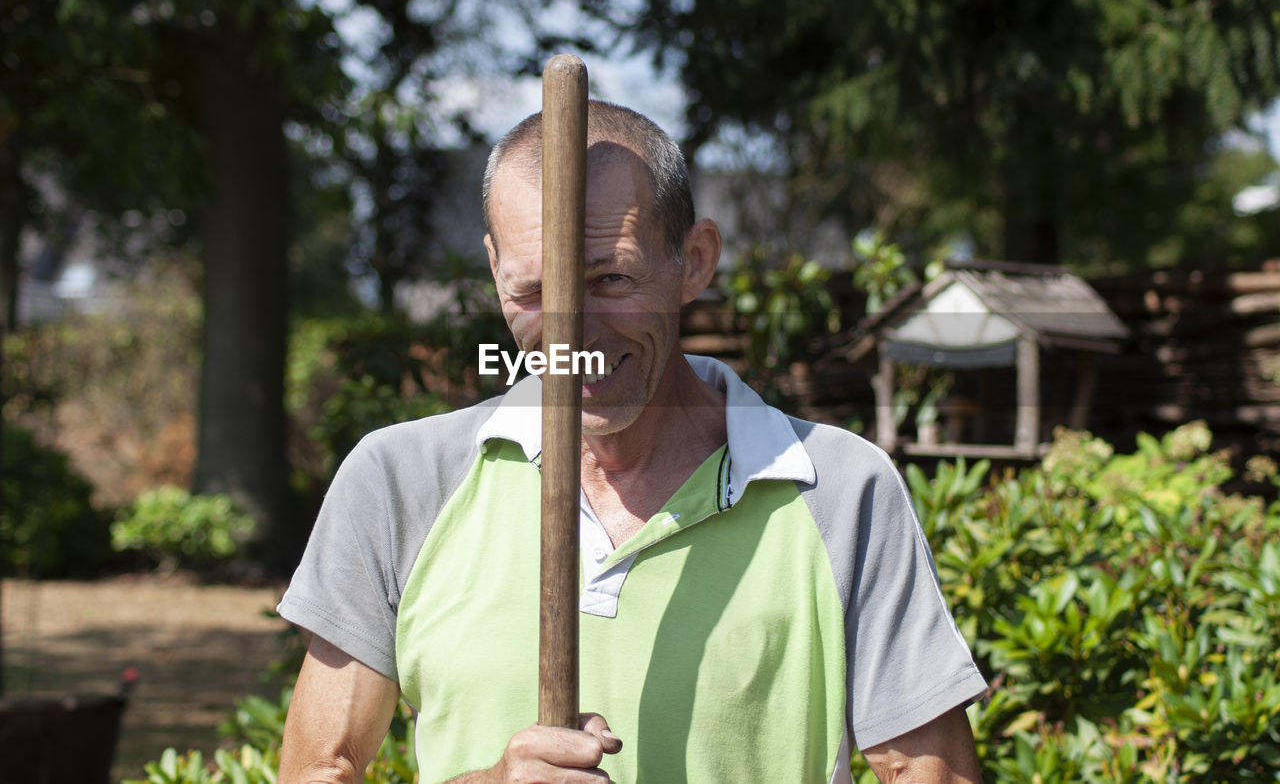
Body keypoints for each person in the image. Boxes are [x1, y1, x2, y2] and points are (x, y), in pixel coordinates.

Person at [276, 100, 988, 783]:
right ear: (495, 271)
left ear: (695, 260)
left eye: (611, 278)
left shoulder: (838, 490)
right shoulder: (401, 482)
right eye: (533, 291)